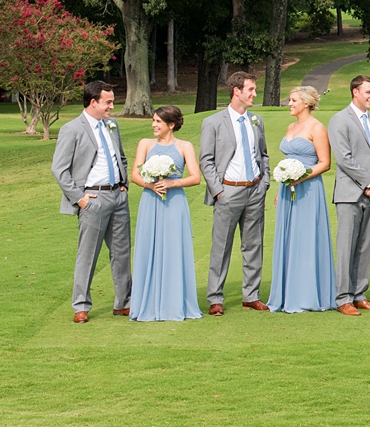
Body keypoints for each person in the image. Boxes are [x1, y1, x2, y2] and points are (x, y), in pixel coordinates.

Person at [51, 81, 132, 323]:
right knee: (88, 254)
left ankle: (123, 303)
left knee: (122, 253)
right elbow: (59, 169)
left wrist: (123, 184)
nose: (112, 106)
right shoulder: (72, 129)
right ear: (93, 102)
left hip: (118, 196)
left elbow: (122, 157)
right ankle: (81, 306)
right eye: (108, 102)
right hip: (92, 199)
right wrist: (80, 199)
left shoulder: (113, 125)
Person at [200, 72, 271, 315]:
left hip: (255, 190)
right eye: (250, 89)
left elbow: (263, 155)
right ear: (236, 91)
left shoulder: (256, 121)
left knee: (254, 245)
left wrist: (264, 183)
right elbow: (206, 161)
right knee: (221, 246)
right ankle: (215, 298)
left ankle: (251, 296)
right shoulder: (213, 122)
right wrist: (219, 191)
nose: (254, 93)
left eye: (254, 89)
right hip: (228, 191)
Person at [128, 105, 202, 322]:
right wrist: (151, 186)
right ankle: (147, 302)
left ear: (171, 125)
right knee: (148, 247)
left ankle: (174, 302)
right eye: (153, 120)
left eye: (158, 122)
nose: (154, 125)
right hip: (150, 202)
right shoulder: (145, 144)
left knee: (173, 248)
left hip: (175, 203)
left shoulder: (185, 146)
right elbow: (135, 174)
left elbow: (195, 177)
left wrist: (172, 183)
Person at [266, 86, 336, 313]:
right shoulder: (290, 126)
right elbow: (288, 158)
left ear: (306, 103)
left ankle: (307, 294)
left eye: (294, 100)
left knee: (306, 238)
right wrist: (282, 186)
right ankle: (287, 293)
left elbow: (325, 163)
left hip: (308, 190)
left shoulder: (317, 128)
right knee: (288, 237)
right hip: (288, 189)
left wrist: (301, 176)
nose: (289, 103)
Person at [327, 74, 370, 316]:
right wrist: (369, 182)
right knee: (346, 246)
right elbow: (344, 159)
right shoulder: (339, 120)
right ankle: (343, 298)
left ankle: (359, 294)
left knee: (364, 246)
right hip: (349, 194)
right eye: (368, 92)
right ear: (355, 92)